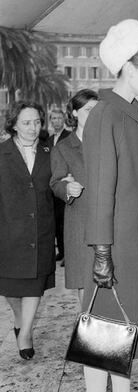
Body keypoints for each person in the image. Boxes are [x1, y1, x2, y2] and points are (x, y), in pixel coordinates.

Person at [81, 19, 138, 392]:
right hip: (117, 244)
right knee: (103, 336)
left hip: (133, 244)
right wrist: (102, 251)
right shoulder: (106, 115)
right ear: (129, 68)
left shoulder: (129, 114)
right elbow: (101, 190)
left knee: (121, 337)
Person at [0, 101, 55, 360]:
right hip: (8, 230)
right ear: (13, 125)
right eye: (26, 123)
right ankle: (21, 318)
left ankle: (25, 334)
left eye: (37, 122)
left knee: (34, 285)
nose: (33, 128)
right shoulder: (1, 153)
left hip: (39, 230)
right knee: (10, 287)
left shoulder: (50, 151)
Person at [50, 89, 98, 305]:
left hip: (111, 221)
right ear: (75, 113)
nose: (94, 115)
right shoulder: (62, 148)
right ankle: (88, 333)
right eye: (89, 110)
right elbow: (55, 183)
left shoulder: (109, 143)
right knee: (85, 284)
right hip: (79, 223)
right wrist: (68, 189)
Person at [47, 108, 70, 264]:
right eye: (53, 118)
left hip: (65, 183)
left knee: (65, 223)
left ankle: (68, 255)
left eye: (59, 118)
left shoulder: (69, 137)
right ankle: (61, 252)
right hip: (51, 187)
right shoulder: (48, 140)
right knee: (55, 222)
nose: (56, 121)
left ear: (64, 120)